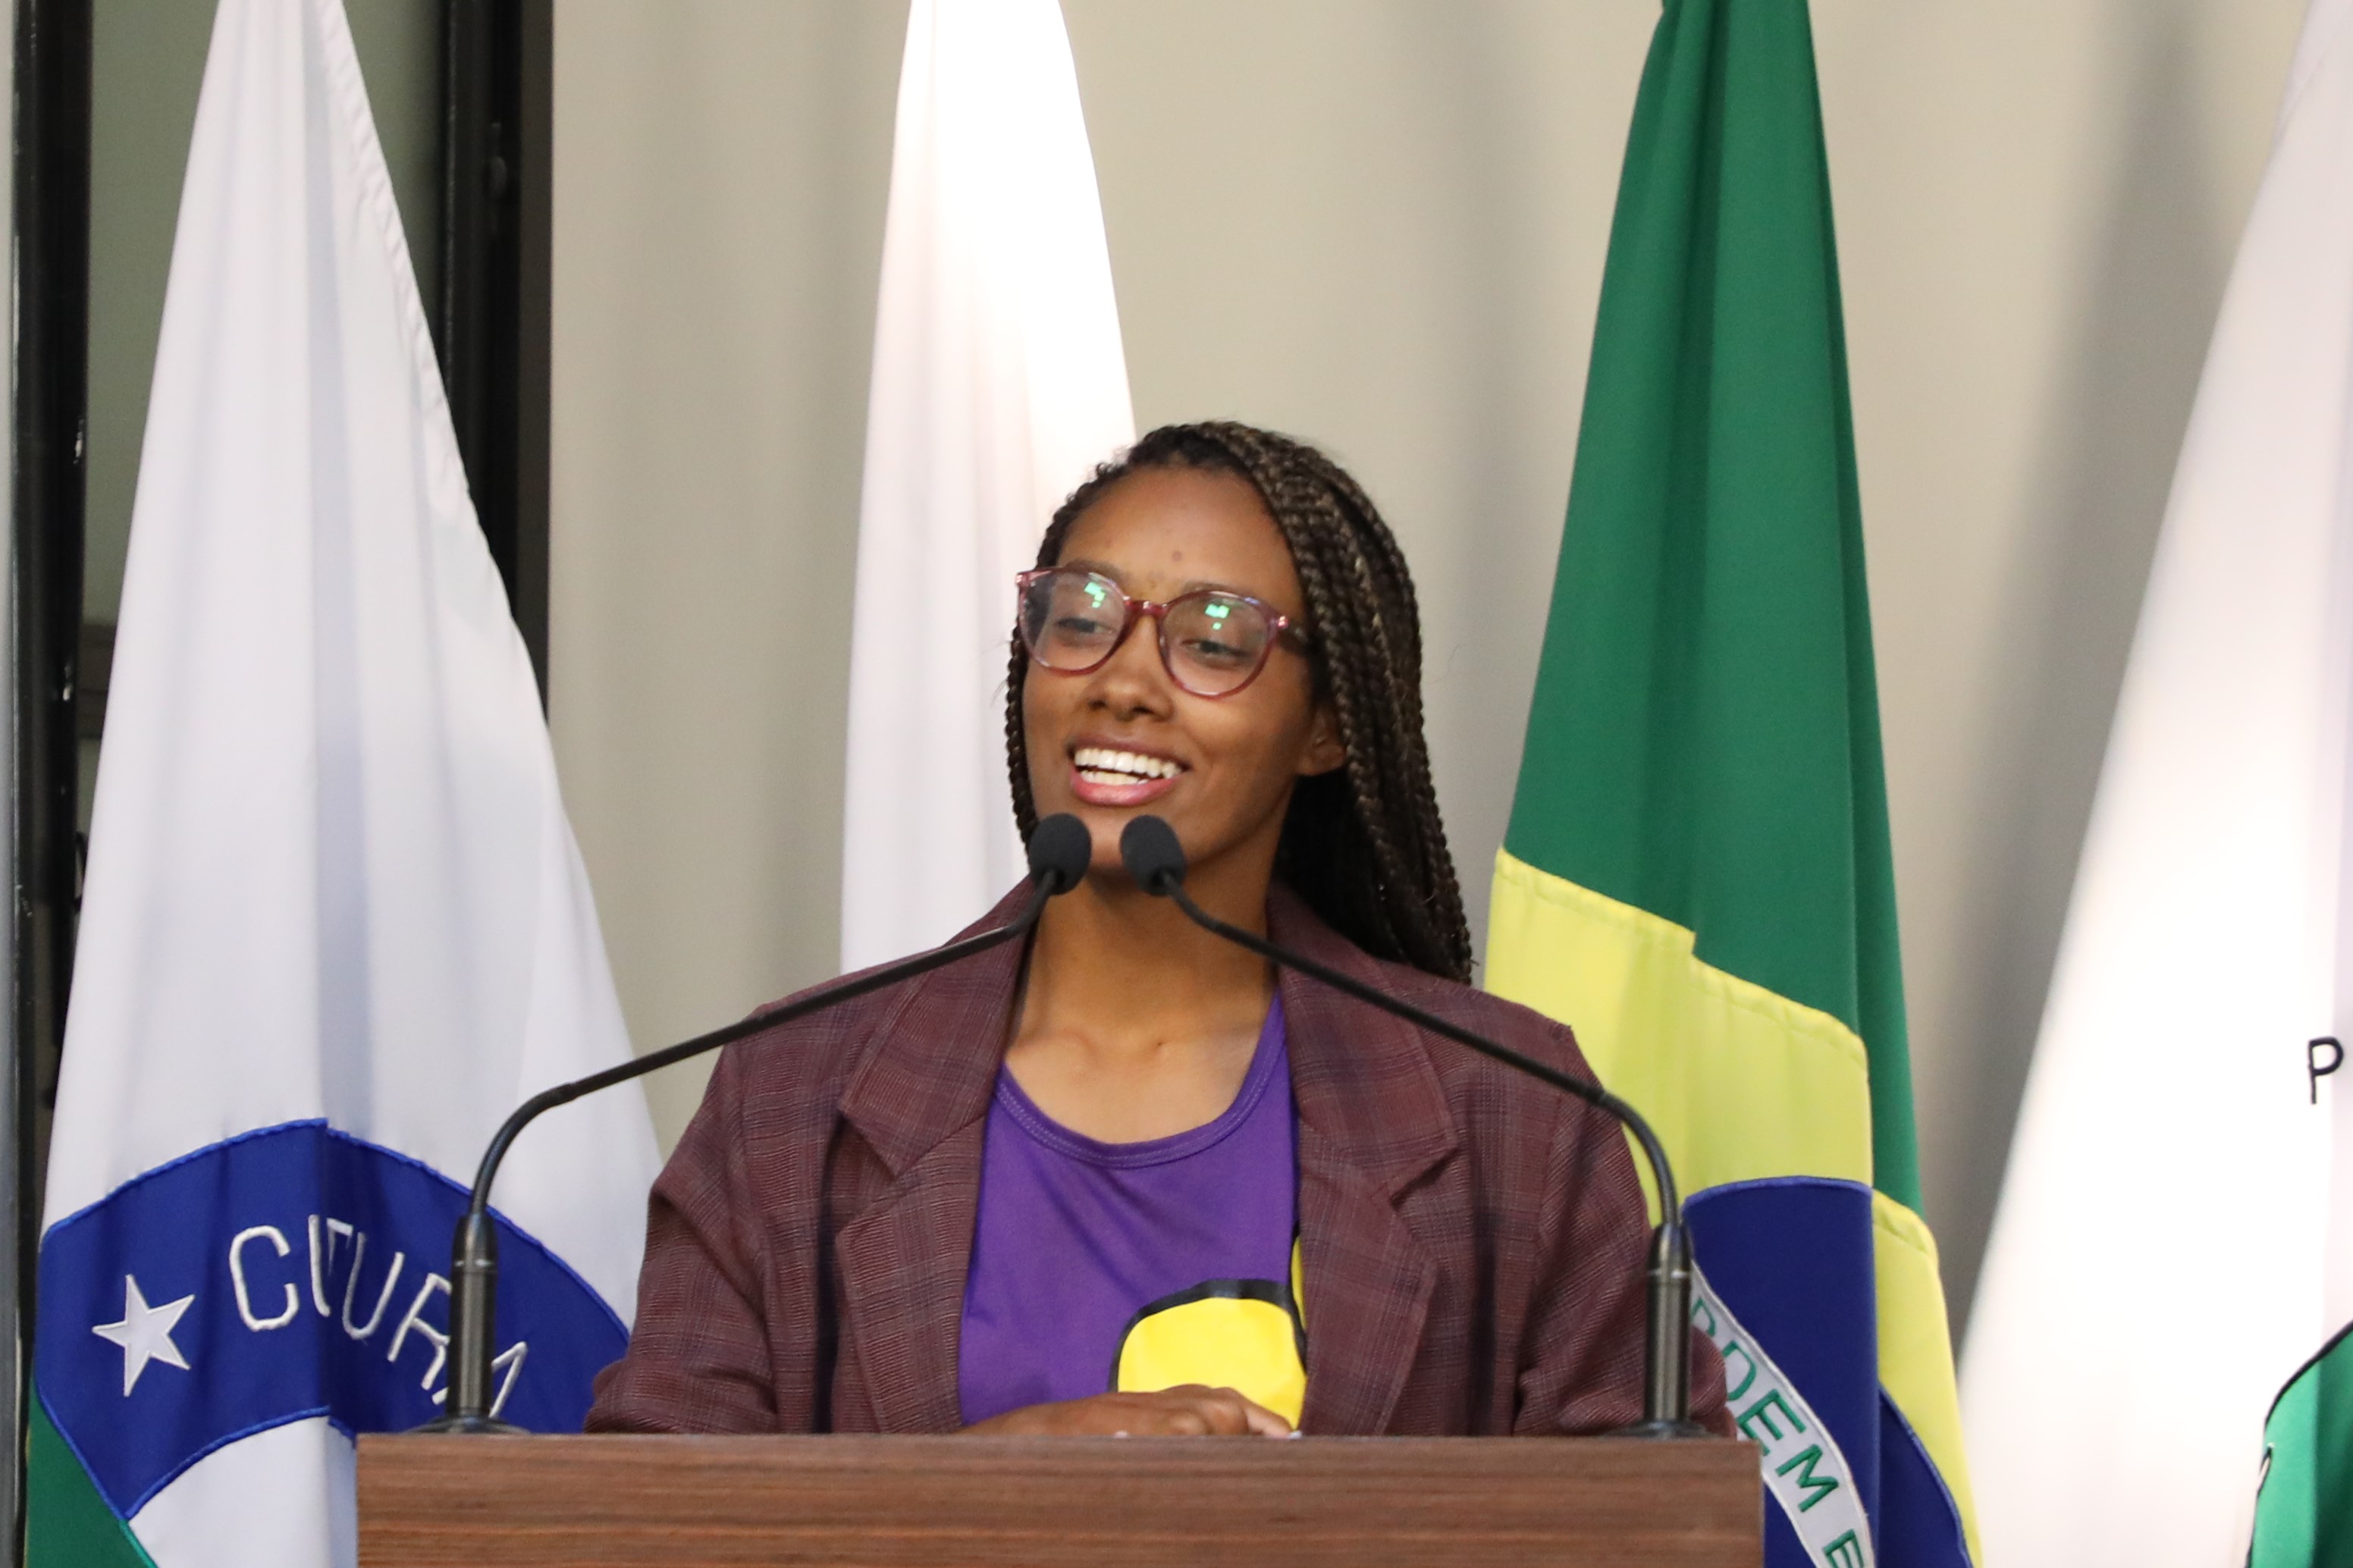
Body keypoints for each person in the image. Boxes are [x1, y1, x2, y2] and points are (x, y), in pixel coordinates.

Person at [586, 421, 1727, 1438]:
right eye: (1081, 618)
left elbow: (1652, 1531)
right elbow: (655, 1525)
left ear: (1327, 727)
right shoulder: (793, 1097)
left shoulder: (1515, 1114)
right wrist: (995, 1488)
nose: (1123, 681)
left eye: (1214, 639)